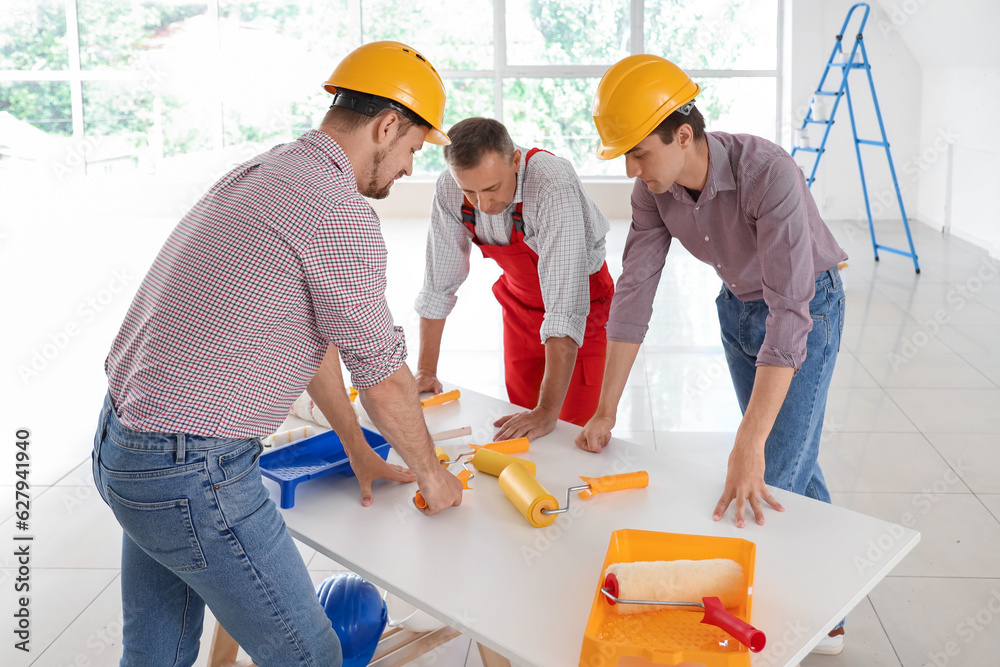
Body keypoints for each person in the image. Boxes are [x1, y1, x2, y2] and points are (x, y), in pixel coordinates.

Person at [91, 41, 464, 667]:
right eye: (414, 150)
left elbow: (305, 340)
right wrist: (433, 474)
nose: (407, 169)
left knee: (157, 654)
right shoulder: (337, 210)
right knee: (310, 654)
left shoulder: (265, 171)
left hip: (123, 450)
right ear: (387, 125)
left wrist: (354, 444)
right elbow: (383, 377)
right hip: (189, 471)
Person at [578, 55, 849, 653]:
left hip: (807, 308)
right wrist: (606, 409)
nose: (630, 167)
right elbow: (634, 292)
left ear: (683, 135)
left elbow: (790, 311)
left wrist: (744, 442)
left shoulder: (768, 172)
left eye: (639, 151)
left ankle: (777, 625)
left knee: (769, 469)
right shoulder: (654, 189)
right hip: (738, 309)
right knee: (792, 449)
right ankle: (837, 602)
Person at [415, 117, 614, 440]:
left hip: (584, 311)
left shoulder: (552, 186)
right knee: (519, 421)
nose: (483, 204)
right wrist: (425, 371)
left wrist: (548, 413)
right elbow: (439, 285)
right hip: (519, 309)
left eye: (493, 188)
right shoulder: (449, 188)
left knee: (570, 430)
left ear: (516, 161)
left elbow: (565, 309)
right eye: (470, 192)